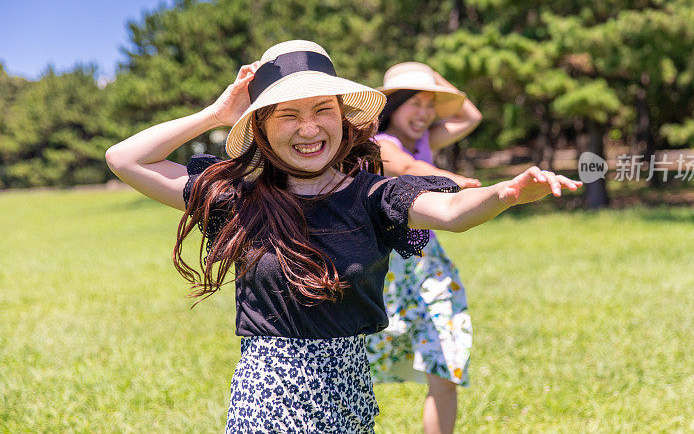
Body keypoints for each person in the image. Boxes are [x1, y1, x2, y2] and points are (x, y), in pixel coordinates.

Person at [105, 40, 582, 433]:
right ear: (261, 129)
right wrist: (215, 114)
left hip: (350, 391)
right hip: (269, 395)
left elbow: (452, 210)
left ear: (342, 117)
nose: (309, 128)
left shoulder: (373, 194)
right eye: (287, 114)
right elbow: (124, 159)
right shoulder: (240, 197)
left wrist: (505, 193)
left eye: (322, 110)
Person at [364, 62, 481, 434]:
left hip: (429, 263)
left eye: (430, 104)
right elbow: (406, 167)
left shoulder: (427, 138)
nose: (425, 113)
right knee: (355, 363)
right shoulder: (382, 144)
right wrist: (454, 182)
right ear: (391, 106)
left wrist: (428, 74)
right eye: (414, 102)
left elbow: (470, 114)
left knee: (446, 356)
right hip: (386, 268)